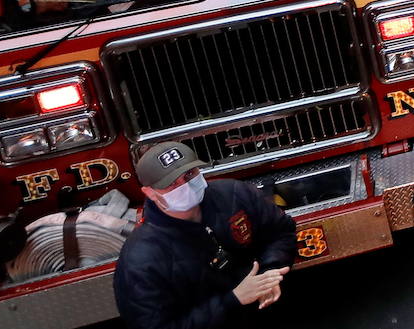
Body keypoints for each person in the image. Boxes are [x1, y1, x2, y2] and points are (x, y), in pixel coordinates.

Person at [113, 141, 297, 329]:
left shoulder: (235, 194)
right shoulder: (140, 259)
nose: (185, 185)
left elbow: (281, 231)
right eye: (171, 183)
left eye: (189, 174)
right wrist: (233, 300)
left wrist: (269, 275)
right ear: (149, 193)